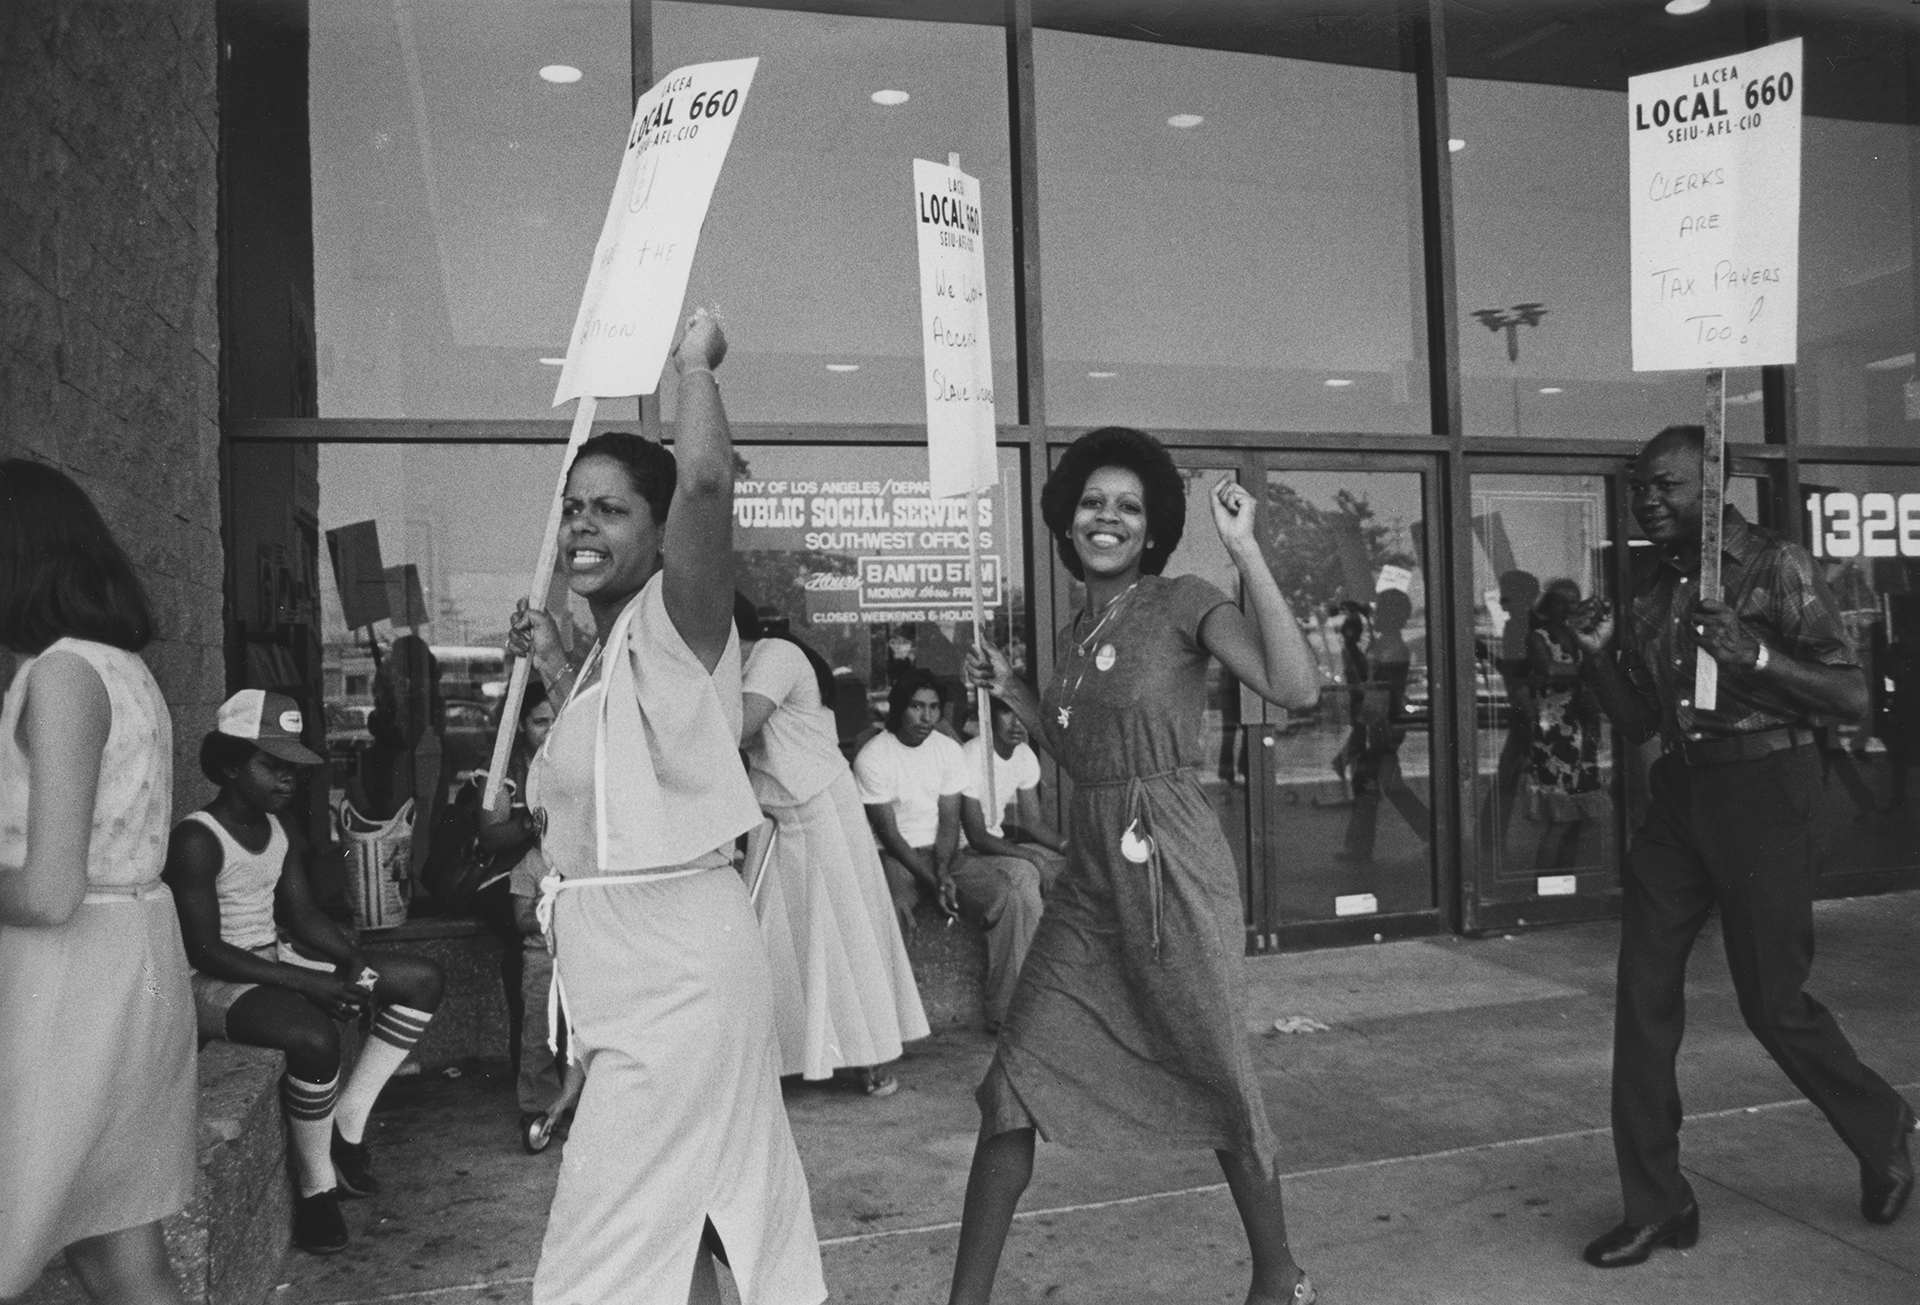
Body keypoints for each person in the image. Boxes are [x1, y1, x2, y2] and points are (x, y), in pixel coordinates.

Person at [952, 427, 1324, 1305]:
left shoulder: (1185, 599)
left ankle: (1280, 1274)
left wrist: (1244, 551)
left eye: (1127, 505)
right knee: (1012, 1081)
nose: (1106, 517)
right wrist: (1020, 695)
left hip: (1173, 874)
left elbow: (1296, 684)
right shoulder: (1077, 632)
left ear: (1151, 525)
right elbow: (1085, 759)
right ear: (1068, 517)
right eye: (1092, 501)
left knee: (1215, 1064)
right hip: (1090, 881)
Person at [504, 310, 825, 1305]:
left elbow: (708, 481)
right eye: (574, 509)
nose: (583, 528)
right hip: (627, 980)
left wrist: (692, 366)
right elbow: (613, 794)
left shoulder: (682, 619)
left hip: (678, 976)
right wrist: (556, 682)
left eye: (610, 510)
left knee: (605, 1254)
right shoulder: (601, 652)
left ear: (657, 532)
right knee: (679, 1228)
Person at [1570, 424, 1914, 1268]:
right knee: (1642, 997)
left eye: (1666, 487)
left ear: (1712, 484)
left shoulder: (1778, 565)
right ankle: (1659, 1201)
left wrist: (1755, 652)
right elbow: (1643, 721)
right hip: (1682, 795)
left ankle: (1883, 1128)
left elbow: (1850, 695)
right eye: (1640, 488)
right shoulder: (1652, 588)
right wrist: (1594, 659)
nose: (1648, 501)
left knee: (1773, 1002)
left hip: (1768, 792)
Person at [0, 460, 195, 1305]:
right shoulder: (121, 668)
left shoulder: (62, 674)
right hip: (129, 961)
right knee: (113, 1241)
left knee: (45, 1211)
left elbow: (48, 891)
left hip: (65, 980)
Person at [163, 690, 445, 1254]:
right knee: (314, 1038)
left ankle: (350, 1121)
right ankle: (317, 1187)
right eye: (271, 765)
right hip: (217, 983)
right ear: (228, 765)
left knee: (420, 981)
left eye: (293, 768)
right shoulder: (197, 837)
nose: (287, 779)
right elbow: (204, 950)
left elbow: (301, 913)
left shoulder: (281, 824)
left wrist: (348, 957)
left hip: (276, 961)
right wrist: (310, 981)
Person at [734, 595, 929, 1097]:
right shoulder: (729, 666)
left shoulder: (774, 655)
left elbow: (734, 727)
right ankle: (774, 1061)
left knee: (847, 934)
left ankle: (872, 1057)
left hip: (822, 807)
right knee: (768, 936)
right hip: (773, 811)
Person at [855, 670, 1047, 1033]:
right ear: (898, 708)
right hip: (898, 857)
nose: (927, 718)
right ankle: (885, 1030)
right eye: (916, 707)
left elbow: (948, 821)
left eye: (933, 708)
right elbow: (890, 835)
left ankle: (1005, 1014)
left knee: (1007, 896)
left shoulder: (947, 751)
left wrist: (943, 870)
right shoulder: (873, 756)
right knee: (890, 911)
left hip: (946, 854)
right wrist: (931, 880)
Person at [473, 683, 568, 1144]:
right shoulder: (504, 771)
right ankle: (533, 1090)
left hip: (559, 871)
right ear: (519, 727)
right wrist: (536, 819)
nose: (549, 729)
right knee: (531, 978)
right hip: (511, 878)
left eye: (556, 717)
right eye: (538, 721)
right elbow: (490, 838)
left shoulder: (570, 756)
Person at [1337, 587, 1430, 864]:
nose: (1375, 615)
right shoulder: (1388, 645)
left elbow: (1378, 693)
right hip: (1385, 724)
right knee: (1391, 785)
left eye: (1381, 611)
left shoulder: (1389, 649)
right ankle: (1431, 833)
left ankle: (1359, 847)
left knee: (1368, 785)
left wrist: (1361, 729)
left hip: (1379, 725)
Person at [1521, 579, 1609, 871]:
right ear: (1549, 606)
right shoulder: (1539, 636)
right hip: (1556, 733)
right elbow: (1550, 669)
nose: (1569, 608)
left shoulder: (1582, 636)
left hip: (1583, 731)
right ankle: (1545, 886)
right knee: (1560, 820)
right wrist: (1587, 670)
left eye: (1575, 602)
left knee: (1577, 820)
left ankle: (1564, 884)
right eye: (1562, 602)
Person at [959, 694, 1068, 888]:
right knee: (1027, 872)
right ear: (990, 715)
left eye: (1021, 712)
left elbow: (1034, 823)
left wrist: (1066, 846)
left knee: (1069, 866)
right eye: (1007, 711)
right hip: (966, 852)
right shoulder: (971, 755)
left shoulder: (1024, 755)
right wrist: (1034, 857)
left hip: (995, 846)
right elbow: (977, 837)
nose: (1017, 722)